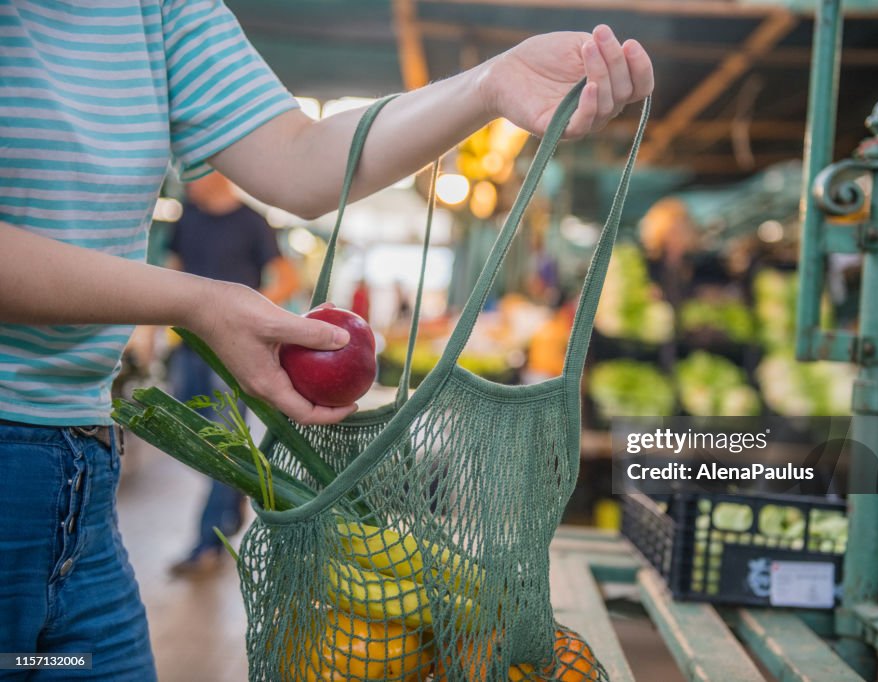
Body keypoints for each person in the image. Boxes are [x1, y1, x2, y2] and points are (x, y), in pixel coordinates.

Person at [0, 1, 654, 678]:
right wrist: (195, 303)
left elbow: (299, 158)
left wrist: (490, 83)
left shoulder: (154, 8)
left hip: (83, 469)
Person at [165, 171, 300, 577]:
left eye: (194, 169)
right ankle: (236, 485)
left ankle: (207, 542)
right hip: (186, 346)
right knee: (184, 436)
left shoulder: (252, 221)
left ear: (218, 172)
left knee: (216, 447)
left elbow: (290, 277)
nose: (186, 178)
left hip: (229, 354)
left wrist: (246, 310)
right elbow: (173, 271)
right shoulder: (186, 217)